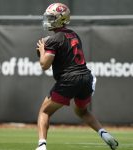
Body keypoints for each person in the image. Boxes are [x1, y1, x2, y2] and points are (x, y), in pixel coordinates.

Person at [35, 3, 118, 150]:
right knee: (82, 111)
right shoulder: (73, 34)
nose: (48, 20)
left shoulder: (53, 40)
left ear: (61, 19)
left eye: (51, 17)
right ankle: (104, 133)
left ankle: (41, 146)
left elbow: (44, 65)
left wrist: (42, 50)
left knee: (44, 112)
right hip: (85, 77)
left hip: (70, 78)